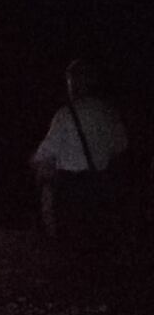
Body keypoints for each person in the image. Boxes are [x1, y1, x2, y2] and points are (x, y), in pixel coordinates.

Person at [31, 59, 127, 252]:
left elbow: (46, 152)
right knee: (96, 244)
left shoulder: (65, 114)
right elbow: (121, 146)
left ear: (74, 83)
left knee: (71, 244)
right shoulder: (108, 112)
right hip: (99, 186)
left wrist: (36, 162)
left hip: (71, 189)